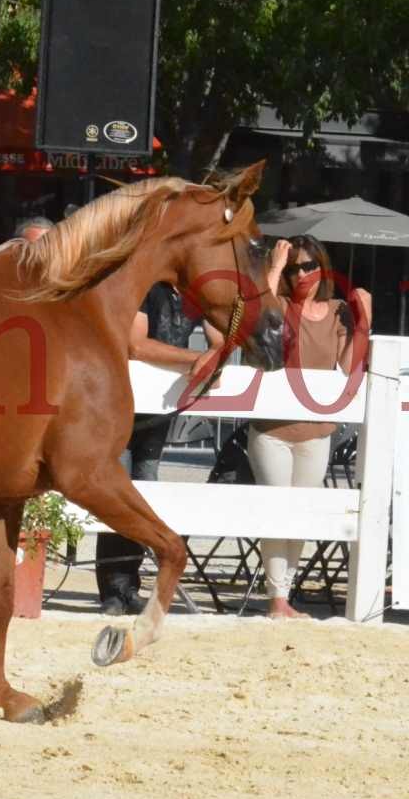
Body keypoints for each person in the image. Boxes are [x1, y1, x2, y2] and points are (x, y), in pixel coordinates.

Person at [242, 235, 371, 619]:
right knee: (277, 511)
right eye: (295, 266)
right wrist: (274, 268)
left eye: (308, 265)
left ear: (322, 268)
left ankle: (285, 595)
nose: (302, 274)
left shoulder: (337, 312)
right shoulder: (277, 304)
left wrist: (364, 322)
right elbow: (250, 313)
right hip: (272, 430)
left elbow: (350, 366)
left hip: (316, 430)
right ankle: (277, 599)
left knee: (300, 516)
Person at [99, 280, 228, 615]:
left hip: (159, 411)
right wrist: (195, 358)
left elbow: (222, 340)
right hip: (122, 406)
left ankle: (128, 587)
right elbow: (137, 345)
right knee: (118, 494)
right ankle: (112, 590)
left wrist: (214, 355)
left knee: (144, 495)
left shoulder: (197, 293)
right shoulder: (148, 287)